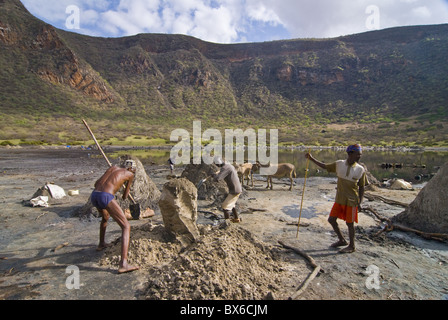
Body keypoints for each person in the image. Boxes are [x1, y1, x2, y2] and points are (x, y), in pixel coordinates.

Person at [305, 144, 369, 253]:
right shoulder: (339, 164)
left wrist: (360, 202)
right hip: (339, 199)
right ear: (350, 154)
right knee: (331, 219)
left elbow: (362, 187)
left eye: (360, 154)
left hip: (352, 200)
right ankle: (342, 240)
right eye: (357, 154)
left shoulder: (360, 169)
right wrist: (311, 159)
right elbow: (325, 166)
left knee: (350, 223)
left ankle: (352, 246)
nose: (359, 156)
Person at [91, 160, 139, 274]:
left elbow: (96, 183)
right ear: (132, 169)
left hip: (94, 195)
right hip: (105, 196)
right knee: (126, 226)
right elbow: (125, 196)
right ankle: (123, 264)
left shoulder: (112, 168)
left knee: (105, 217)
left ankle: (101, 244)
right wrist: (125, 186)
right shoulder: (130, 175)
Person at [212, 156, 243, 223]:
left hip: (235, 190)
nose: (217, 166)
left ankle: (227, 223)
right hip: (236, 188)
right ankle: (236, 219)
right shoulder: (229, 166)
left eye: (216, 164)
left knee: (225, 206)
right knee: (232, 205)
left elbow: (218, 179)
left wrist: (214, 175)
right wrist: (220, 172)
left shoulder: (225, 168)